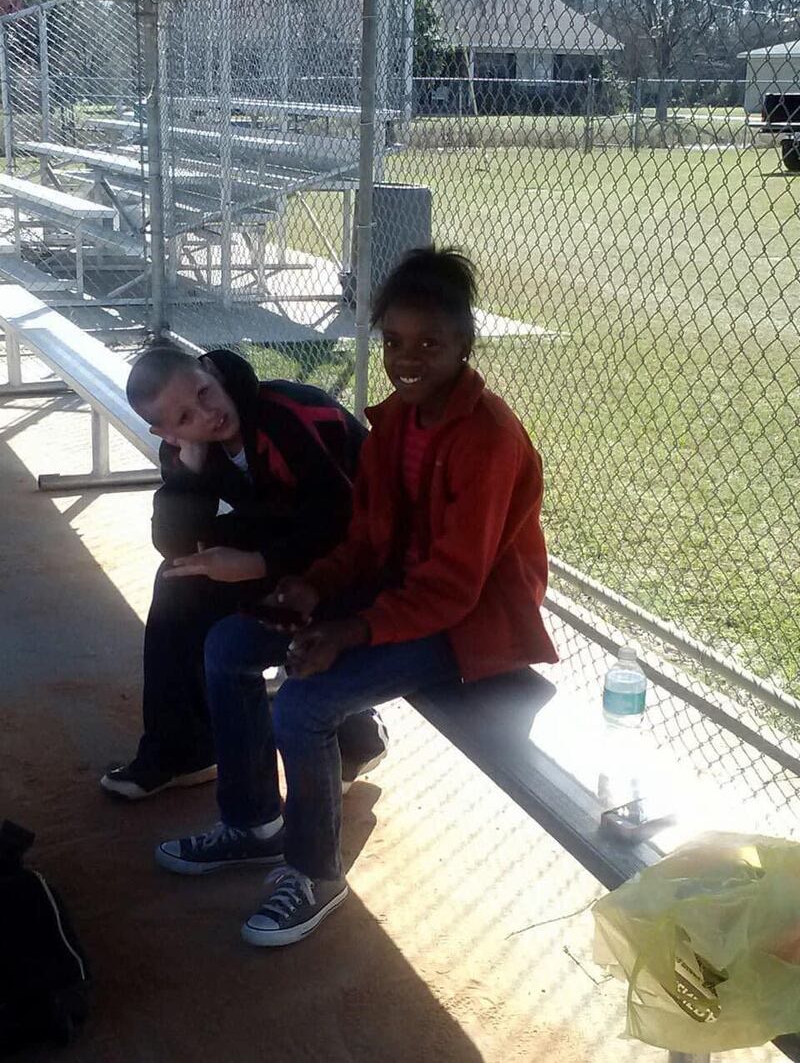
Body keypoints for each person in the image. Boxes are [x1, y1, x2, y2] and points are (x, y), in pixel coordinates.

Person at [156, 247, 558, 946]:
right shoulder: (396, 422)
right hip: (396, 597)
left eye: (430, 343)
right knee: (228, 647)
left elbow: (454, 586)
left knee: (309, 703)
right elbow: (368, 540)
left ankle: (314, 873)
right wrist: (315, 587)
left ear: (465, 344)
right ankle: (252, 822)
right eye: (394, 341)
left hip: (470, 624)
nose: (408, 359)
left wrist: (351, 630)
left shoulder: (488, 438)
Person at [101, 341, 388, 801]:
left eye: (202, 392)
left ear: (209, 369)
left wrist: (256, 565)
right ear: (164, 429)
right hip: (295, 534)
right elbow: (174, 546)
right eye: (182, 419)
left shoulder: (286, 414)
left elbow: (344, 522)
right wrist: (190, 471)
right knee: (180, 580)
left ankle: (357, 734)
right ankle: (185, 748)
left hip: (369, 553)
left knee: (272, 600)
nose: (206, 413)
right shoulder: (189, 445)